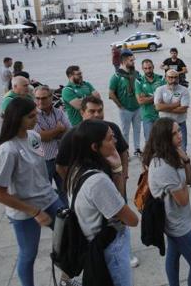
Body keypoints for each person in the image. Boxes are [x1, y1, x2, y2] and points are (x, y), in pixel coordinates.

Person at [0, 98, 66, 286]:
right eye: (31, 116)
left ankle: (68, 277)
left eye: (36, 115)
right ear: (17, 118)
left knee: (68, 237)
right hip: (25, 211)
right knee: (28, 253)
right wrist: (34, 212)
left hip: (49, 198)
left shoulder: (33, 136)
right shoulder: (7, 150)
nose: (36, 119)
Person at [66, 120, 139, 286]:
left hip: (94, 242)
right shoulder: (98, 181)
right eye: (109, 138)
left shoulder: (76, 169)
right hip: (109, 249)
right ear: (94, 147)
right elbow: (131, 220)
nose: (115, 141)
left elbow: (115, 202)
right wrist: (118, 172)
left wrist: (116, 170)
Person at [144, 118, 191, 286]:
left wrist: (185, 160)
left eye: (179, 130)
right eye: (175, 133)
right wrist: (182, 182)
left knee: (174, 254)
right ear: (164, 138)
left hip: (178, 219)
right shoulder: (163, 165)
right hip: (176, 224)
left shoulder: (173, 154)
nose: (180, 135)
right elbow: (184, 200)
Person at [33, 85, 71, 203]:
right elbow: (42, 137)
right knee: (45, 191)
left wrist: (51, 133)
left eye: (43, 98)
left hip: (61, 158)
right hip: (44, 160)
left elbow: (68, 132)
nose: (40, 101)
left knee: (65, 189)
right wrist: (59, 129)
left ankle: (66, 215)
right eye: (37, 98)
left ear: (51, 97)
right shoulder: (33, 115)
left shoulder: (58, 112)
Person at [109, 49, 142, 156]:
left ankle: (137, 149)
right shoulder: (116, 76)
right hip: (125, 109)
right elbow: (111, 93)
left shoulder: (136, 73)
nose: (133, 62)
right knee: (125, 132)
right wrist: (120, 105)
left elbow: (141, 87)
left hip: (137, 107)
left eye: (133, 60)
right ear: (124, 61)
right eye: (131, 60)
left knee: (137, 130)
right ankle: (125, 151)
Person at [154, 70, 190, 153]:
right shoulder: (159, 90)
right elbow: (157, 107)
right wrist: (176, 105)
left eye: (175, 77)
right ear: (166, 78)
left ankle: (182, 165)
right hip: (164, 126)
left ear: (178, 78)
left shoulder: (184, 90)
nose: (173, 80)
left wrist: (164, 106)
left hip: (180, 124)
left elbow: (183, 109)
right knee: (164, 148)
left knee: (182, 149)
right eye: (170, 77)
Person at [136, 59, 165, 141]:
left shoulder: (161, 79)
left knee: (162, 141)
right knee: (149, 141)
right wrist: (157, 96)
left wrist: (147, 97)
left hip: (161, 115)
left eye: (150, 68)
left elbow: (165, 97)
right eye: (145, 68)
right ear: (142, 69)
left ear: (153, 67)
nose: (148, 70)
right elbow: (140, 101)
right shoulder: (139, 81)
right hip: (147, 115)